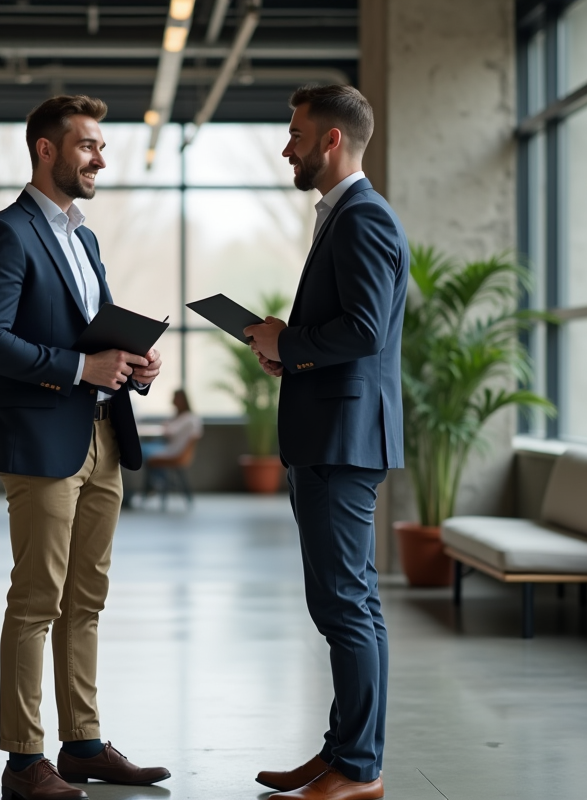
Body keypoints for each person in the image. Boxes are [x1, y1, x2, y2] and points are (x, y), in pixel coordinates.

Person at [0, 94, 169, 800]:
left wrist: (132, 362)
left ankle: (81, 742)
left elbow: (94, 335)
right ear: (46, 150)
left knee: (87, 599)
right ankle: (24, 760)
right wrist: (80, 368)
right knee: (36, 600)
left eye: (101, 147)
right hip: (42, 441)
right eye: (88, 145)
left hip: (103, 436)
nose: (101, 158)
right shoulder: (6, 234)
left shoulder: (84, 238)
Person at [244, 85, 408, 800]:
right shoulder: (343, 216)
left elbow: (367, 331)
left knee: (345, 603)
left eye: (297, 133)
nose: (289, 146)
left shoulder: (363, 218)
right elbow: (349, 329)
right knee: (341, 601)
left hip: (344, 440)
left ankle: (360, 768)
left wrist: (292, 340)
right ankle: (342, 751)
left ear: (331, 141)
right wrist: (290, 349)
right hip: (331, 433)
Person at [143, 389, 203, 461]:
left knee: (142, 451)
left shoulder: (188, 418)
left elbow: (169, 432)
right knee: (147, 447)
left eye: (175, 397)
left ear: (182, 400)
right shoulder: (180, 416)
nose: (173, 399)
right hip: (172, 448)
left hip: (175, 451)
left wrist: (166, 426)